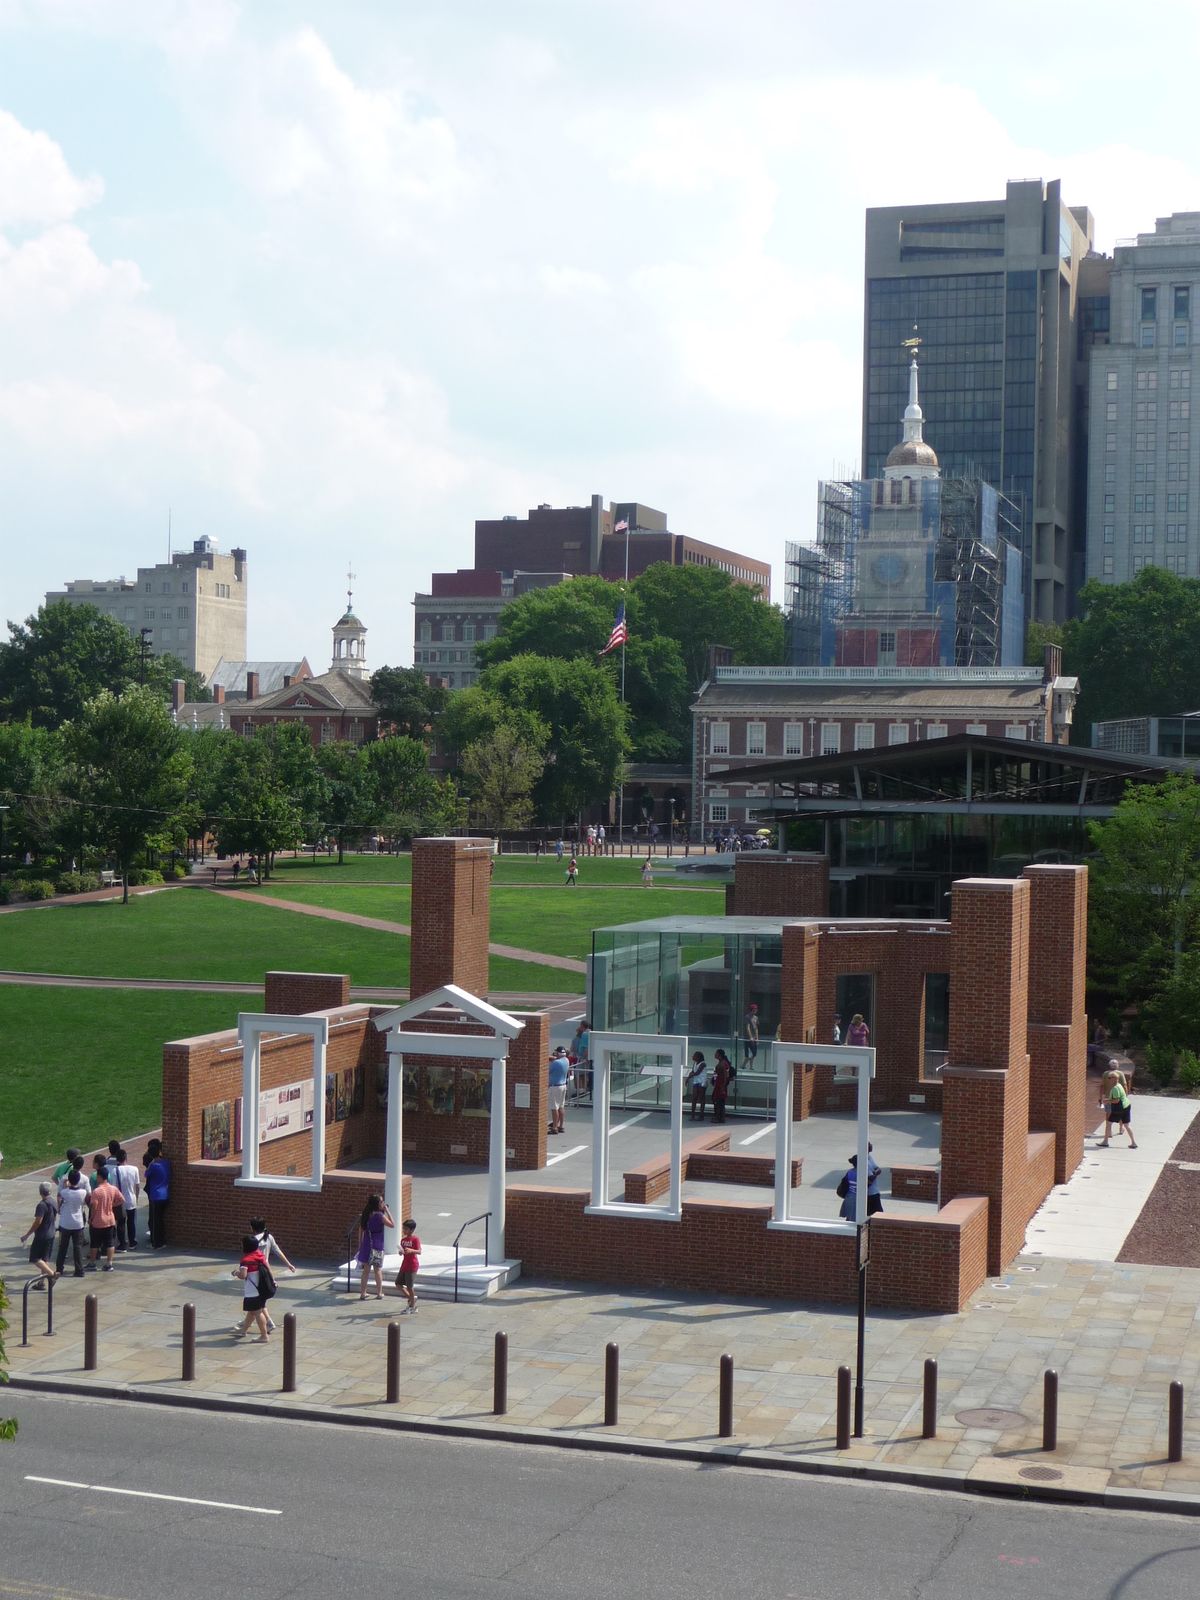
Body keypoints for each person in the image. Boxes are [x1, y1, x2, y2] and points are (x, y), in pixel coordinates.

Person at [251, 1215, 297, 1333]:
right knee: (259, 1301)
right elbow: (277, 1251)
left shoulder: (253, 1240)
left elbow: (252, 1259)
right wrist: (288, 1264)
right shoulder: (269, 1237)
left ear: (253, 1228)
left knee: (256, 1301)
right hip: (265, 1271)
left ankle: (267, 1323)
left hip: (256, 1272)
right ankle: (248, 1323)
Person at [232, 1234, 272, 1341]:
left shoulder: (246, 1260)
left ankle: (264, 1336)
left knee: (257, 1312)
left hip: (252, 1291)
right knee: (252, 1311)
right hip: (262, 1289)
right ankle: (243, 1331)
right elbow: (268, 1268)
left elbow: (243, 1275)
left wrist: (236, 1272)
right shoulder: (260, 1255)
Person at [356, 1194, 394, 1299]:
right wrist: (387, 1211)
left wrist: (360, 1244)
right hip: (377, 1245)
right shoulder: (380, 1216)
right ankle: (379, 1293)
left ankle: (363, 1293)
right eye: (381, 1202)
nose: (383, 1203)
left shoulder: (366, 1214)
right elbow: (392, 1224)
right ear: (377, 1204)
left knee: (366, 1271)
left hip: (367, 1244)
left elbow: (361, 1229)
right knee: (377, 1270)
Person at [86, 1167, 124, 1271]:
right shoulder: (113, 1188)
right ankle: (109, 1264)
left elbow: (94, 1206)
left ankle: (92, 1263)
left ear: (99, 1177)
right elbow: (121, 1199)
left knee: (94, 1243)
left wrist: (91, 1218)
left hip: (98, 1221)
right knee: (109, 1243)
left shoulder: (96, 1191)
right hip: (110, 1220)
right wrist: (112, 1205)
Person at [53, 1170, 89, 1278]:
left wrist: (65, 1185)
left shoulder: (65, 1192)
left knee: (63, 1247)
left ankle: (59, 1268)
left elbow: (60, 1196)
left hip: (65, 1223)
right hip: (78, 1223)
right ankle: (79, 1270)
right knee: (77, 1247)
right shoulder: (83, 1192)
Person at [21, 1182, 58, 1285]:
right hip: (51, 1233)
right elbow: (54, 1217)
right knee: (44, 1258)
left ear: (40, 1192)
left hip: (42, 1236)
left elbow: (38, 1221)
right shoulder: (53, 1202)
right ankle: (42, 1282)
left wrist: (27, 1235)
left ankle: (52, 1274)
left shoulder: (41, 1205)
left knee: (35, 1258)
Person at [1099, 1069, 1137, 1148]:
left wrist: (1107, 1100)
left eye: (1109, 1078)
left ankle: (1105, 1141)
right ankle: (1134, 1143)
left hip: (1119, 1108)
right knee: (1126, 1125)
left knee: (1108, 1123)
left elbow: (1116, 1100)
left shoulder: (1115, 1088)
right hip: (1126, 1105)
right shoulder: (1120, 1085)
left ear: (1114, 1079)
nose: (1108, 1079)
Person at [144, 1140, 171, 1248]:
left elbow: (146, 1174)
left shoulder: (153, 1165)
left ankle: (156, 1243)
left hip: (156, 1196)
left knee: (155, 1221)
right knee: (161, 1220)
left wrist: (151, 1163)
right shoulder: (166, 1162)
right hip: (166, 1194)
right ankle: (162, 1241)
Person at [112, 1149, 141, 1250]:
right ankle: (132, 1242)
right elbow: (137, 1186)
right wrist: (136, 1197)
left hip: (121, 1201)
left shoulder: (115, 1170)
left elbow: (114, 1187)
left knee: (121, 1222)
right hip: (132, 1198)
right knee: (131, 1221)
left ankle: (122, 1244)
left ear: (117, 1159)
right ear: (126, 1158)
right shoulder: (135, 1169)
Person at [396, 1218, 422, 1314]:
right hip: (404, 1265)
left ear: (411, 1230)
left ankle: (412, 1307)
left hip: (412, 1265)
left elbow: (419, 1251)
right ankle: (411, 1299)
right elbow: (403, 1251)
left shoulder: (415, 1239)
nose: (404, 1230)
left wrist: (412, 1250)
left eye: (406, 1229)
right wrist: (401, 1252)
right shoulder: (403, 1240)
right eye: (403, 1229)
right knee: (398, 1283)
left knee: (409, 1287)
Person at [548, 1046, 570, 1135]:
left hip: (555, 1087)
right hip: (563, 1085)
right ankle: (561, 1126)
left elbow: (548, 1071)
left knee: (554, 1108)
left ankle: (554, 1127)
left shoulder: (556, 1063)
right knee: (561, 1106)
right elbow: (556, 1059)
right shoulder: (566, 1061)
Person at [571, 1019, 591, 1101]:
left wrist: (585, 1058)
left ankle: (580, 1090)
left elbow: (586, 1048)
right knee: (584, 1074)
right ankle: (583, 1089)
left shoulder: (585, 1035)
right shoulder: (588, 1034)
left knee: (578, 1074)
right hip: (583, 1057)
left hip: (582, 1058)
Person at [711, 1049, 733, 1123]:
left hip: (720, 1085)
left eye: (716, 1053)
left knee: (718, 1101)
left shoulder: (723, 1063)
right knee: (720, 1101)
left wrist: (723, 1086)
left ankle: (718, 1117)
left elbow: (725, 1076)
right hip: (719, 1084)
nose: (715, 1054)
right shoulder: (722, 1063)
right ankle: (721, 1117)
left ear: (719, 1055)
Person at [687, 1051, 710, 1120]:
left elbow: (697, 1072)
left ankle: (701, 1115)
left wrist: (690, 1076)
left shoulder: (703, 1064)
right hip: (696, 1081)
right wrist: (688, 1078)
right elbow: (693, 1071)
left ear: (698, 1057)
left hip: (702, 1082)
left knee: (701, 1098)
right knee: (694, 1098)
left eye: (694, 1055)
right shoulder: (694, 1063)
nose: (693, 1057)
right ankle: (693, 1115)